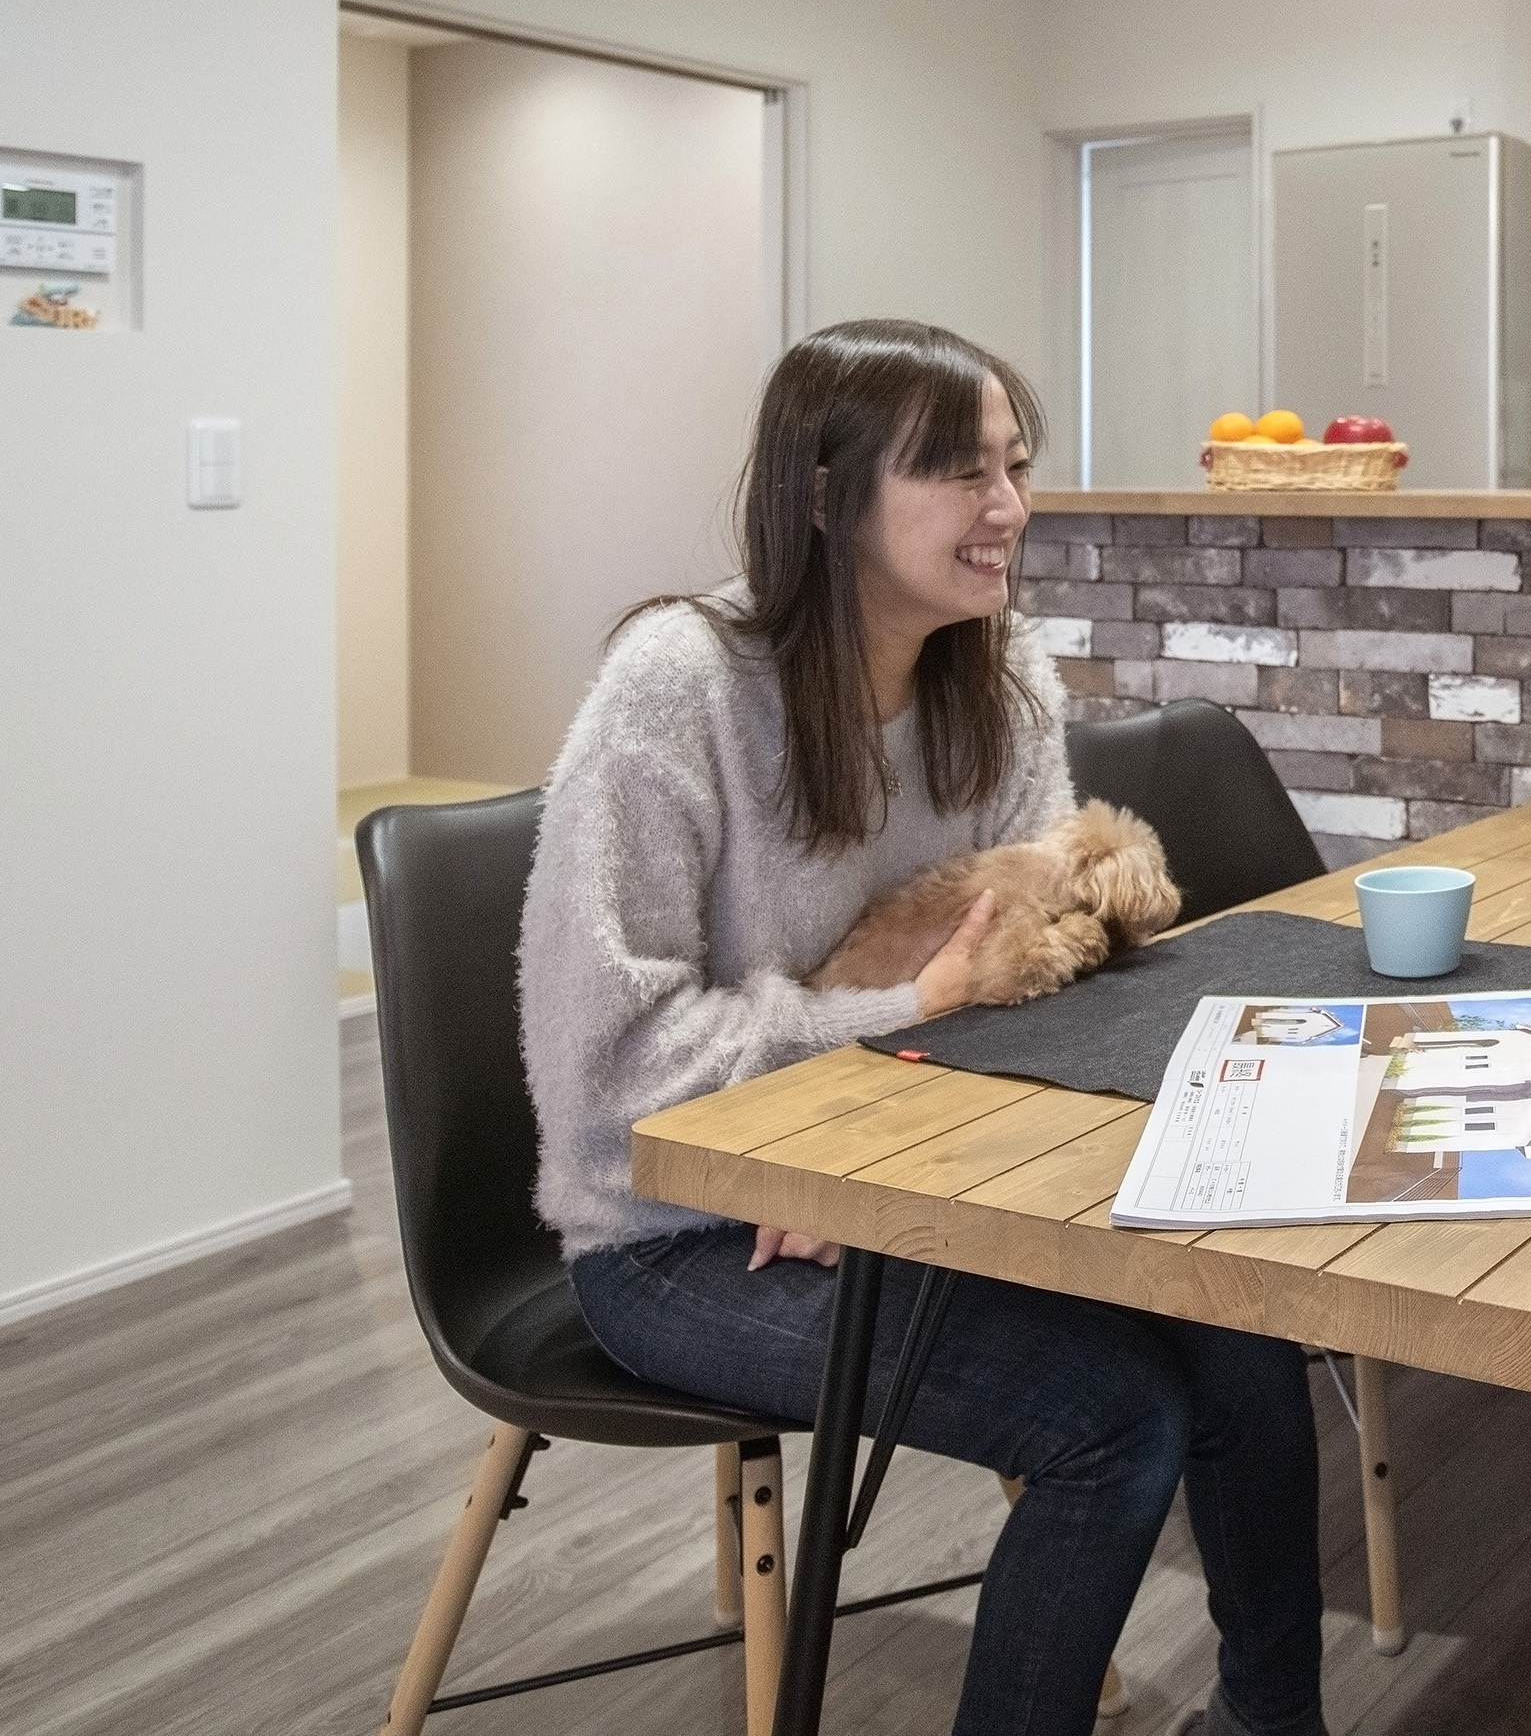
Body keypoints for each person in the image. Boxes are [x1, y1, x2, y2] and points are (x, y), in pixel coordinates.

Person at [521, 318, 1324, 1736]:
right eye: (958, 473)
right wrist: (882, 1044)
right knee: (1107, 1422)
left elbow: (1033, 977)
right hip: (674, 1233)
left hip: (898, 1180)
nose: (1006, 508)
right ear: (824, 498)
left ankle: (1274, 1722)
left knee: (1241, 1333)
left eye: (1013, 466)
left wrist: (870, 1173)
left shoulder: (997, 676)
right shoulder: (678, 688)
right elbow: (608, 1071)